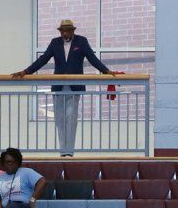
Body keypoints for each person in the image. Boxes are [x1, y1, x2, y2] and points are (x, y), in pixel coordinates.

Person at [15, 18, 114, 156]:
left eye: (67, 31)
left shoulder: (81, 41)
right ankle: (63, 151)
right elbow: (43, 59)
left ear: (72, 31)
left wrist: (106, 71)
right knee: (60, 119)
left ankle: (69, 151)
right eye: (62, 31)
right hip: (58, 86)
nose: (64, 34)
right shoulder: (55, 42)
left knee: (71, 118)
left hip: (75, 86)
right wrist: (26, 71)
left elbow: (92, 58)